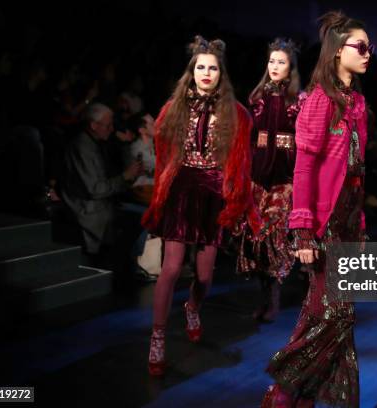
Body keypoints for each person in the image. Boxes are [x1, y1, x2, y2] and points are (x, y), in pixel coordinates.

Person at [262, 11, 371, 407]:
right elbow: (304, 167)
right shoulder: (320, 100)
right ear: (337, 51)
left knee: (322, 315)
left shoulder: (356, 102)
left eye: (369, 47)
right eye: (360, 46)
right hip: (322, 226)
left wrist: (359, 228)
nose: (367, 53)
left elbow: (356, 175)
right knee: (337, 316)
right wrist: (303, 229)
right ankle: (284, 387)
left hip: (347, 224)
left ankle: (295, 398)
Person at [141, 36, 259, 376]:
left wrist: (239, 200)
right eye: (201, 67)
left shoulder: (236, 113)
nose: (206, 73)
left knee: (205, 275)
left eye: (213, 68)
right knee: (172, 267)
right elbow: (164, 153)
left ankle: (193, 305)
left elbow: (241, 162)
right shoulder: (175, 108)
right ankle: (158, 337)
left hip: (213, 191)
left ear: (222, 74)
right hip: (181, 188)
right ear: (191, 71)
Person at [237, 38, 306, 322]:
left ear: (291, 68)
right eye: (271, 61)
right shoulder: (258, 96)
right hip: (260, 172)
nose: (275, 66)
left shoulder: (298, 100)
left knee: (275, 237)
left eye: (281, 62)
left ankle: (275, 299)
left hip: (285, 174)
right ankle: (263, 297)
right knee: (256, 238)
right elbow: (250, 136)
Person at [61, 103, 143, 256]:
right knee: (136, 221)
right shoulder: (83, 148)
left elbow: (116, 180)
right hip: (88, 210)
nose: (112, 129)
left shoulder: (100, 144)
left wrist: (125, 147)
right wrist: (125, 176)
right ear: (93, 125)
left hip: (104, 204)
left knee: (142, 218)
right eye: (108, 125)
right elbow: (95, 190)